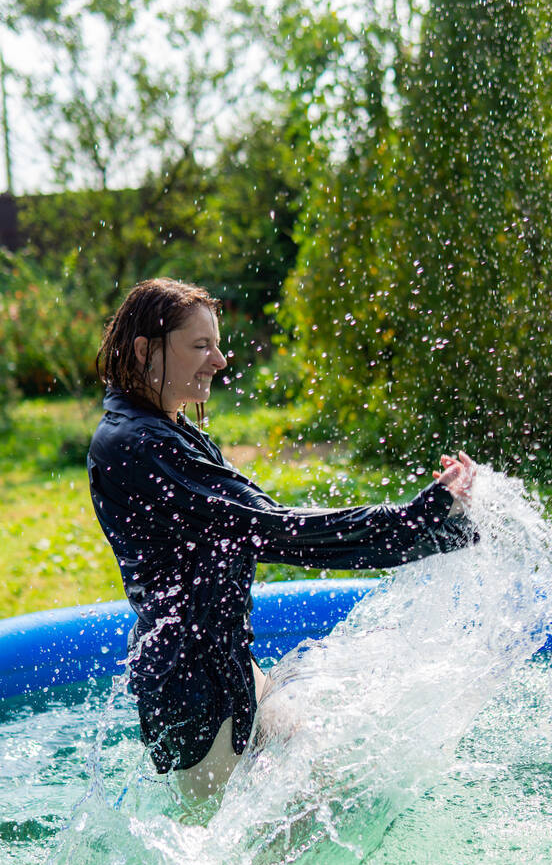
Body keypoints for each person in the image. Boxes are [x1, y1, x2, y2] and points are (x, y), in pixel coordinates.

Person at [88, 278, 478, 800]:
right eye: (201, 346)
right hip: (194, 687)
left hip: (223, 662)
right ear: (145, 350)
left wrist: (442, 528)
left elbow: (267, 520)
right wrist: (420, 519)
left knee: (326, 786)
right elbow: (279, 531)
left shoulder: (166, 429)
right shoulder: (140, 445)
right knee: (225, 864)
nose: (220, 361)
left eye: (217, 344)